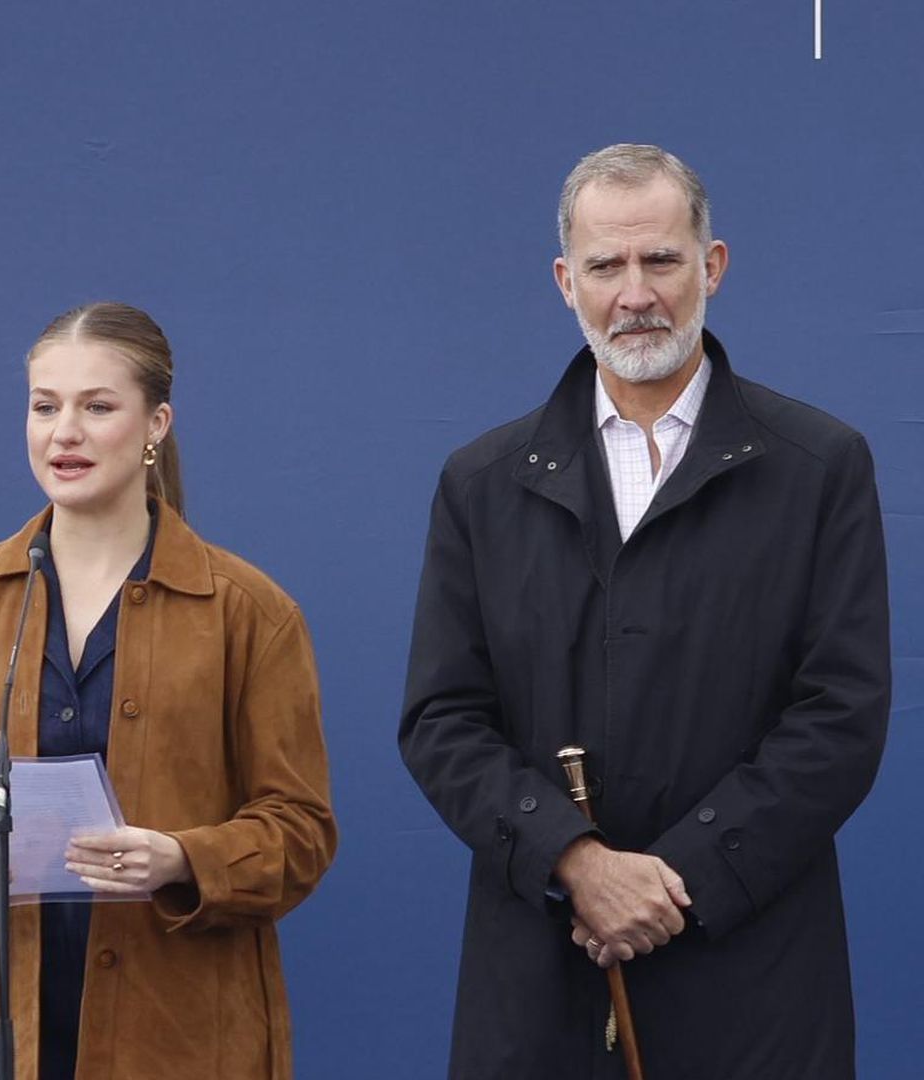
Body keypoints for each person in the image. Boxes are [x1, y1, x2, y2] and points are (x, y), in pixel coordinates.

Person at [400, 144, 891, 1078]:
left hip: (753, 985)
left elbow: (840, 717)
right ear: (564, 281)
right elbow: (442, 720)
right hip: (539, 987)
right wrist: (577, 863)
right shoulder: (483, 484)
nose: (635, 294)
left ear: (712, 266)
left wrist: (675, 883)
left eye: (661, 260)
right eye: (605, 266)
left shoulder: (819, 468)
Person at [0, 302, 337, 1079]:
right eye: (45, 406)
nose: (65, 433)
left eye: (98, 407)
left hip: (181, 1039)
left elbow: (301, 831)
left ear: (156, 424)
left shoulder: (248, 611)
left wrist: (183, 858)